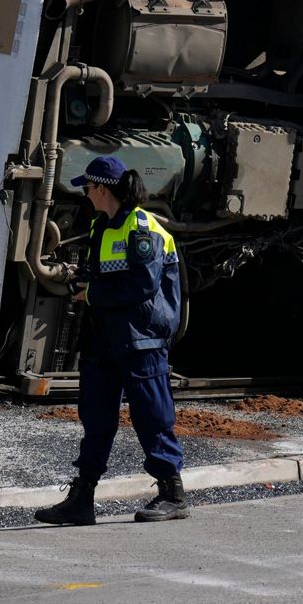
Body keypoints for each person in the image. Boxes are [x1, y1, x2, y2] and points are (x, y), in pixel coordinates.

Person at [35, 155, 188, 527]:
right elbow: (101, 274)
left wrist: (91, 294)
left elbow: (142, 285)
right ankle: (82, 498)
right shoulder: (100, 228)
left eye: (87, 188)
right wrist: (81, 281)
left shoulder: (141, 228)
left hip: (142, 340)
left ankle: (172, 495)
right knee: (96, 418)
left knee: (152, 417)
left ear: (102, 188)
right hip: (106, 340)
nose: (85, 195)